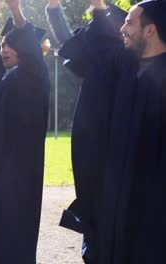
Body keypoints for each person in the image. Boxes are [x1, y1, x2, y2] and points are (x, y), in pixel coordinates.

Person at [57, 0, 166, 263]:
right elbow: (80, 51)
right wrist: (98, 6)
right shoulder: (119, 69)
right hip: (115, 200)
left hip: (154, 208)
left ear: (150, 30)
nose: (122, 29)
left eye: (129, 22)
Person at [45, 1, 128, 262]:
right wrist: (54, 8)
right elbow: (69, 42)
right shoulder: (97, 61)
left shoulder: (125, 58)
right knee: (92, 199)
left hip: (116, 145)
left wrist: (100, 8)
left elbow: (99, 36)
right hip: (91, 148)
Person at [0, 0, 50, 263]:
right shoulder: (4, 76)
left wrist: (15, 9)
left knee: (14, 240)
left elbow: (29, 43)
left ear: (27, 50)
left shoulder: (35, 74)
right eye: (3, 45)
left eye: (10, 45)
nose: (3, 49)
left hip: (19, 177)